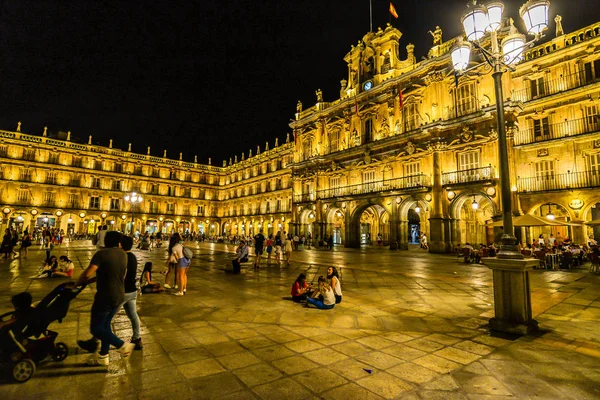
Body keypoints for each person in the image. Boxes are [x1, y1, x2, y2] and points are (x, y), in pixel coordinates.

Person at [72, 231, 133, 366]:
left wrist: (76, 284)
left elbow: (87, 274)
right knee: (105, 327)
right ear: (118, 243)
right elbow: (120, 275)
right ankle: (103, 357)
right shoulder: (123, 255)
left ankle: (122, 345)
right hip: (119, 295)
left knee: (96, 329)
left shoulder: (101, 255)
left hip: (105, 296)